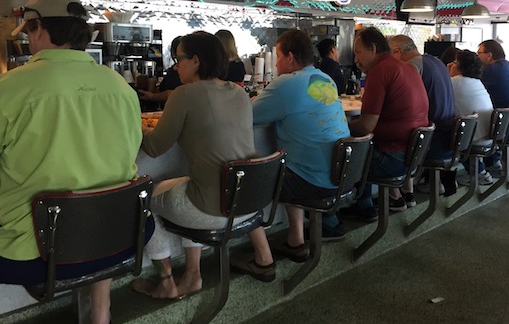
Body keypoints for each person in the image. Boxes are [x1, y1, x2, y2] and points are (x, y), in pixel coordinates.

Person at [0, 0, 141, 324]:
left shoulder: (10, 88)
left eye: (29, 31)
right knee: (103, 194)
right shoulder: (121, 88)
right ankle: (101, 314)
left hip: (31, 252)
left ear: (38, 29)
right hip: (119, 239)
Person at [132, 32, 274, 294]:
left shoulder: (184, 94)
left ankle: (167, 283)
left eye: (179, 59)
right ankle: (192, 276)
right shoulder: (240, 93)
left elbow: (153, 148)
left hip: (213, 209)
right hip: (248, 203)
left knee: (145, 198)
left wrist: (129, 123)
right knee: (188, 184)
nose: (176, 66)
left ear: (195, 61)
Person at [236, 29, 350, 271]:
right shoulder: (324, 79)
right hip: (342, 175)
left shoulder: (286, 84)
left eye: (277, 57)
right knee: (290, 163)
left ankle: (262, 257)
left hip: (315, 180)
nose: (276, 64)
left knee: (244, 182)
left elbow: (243, 116)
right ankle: (295, 240)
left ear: (290, 57)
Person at [343, 27, 429, 218]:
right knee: (364, 148)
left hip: (393, 159)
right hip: (414, 157)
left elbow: (366, 126)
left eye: (358, 52)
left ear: (372, 49)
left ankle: (328, 218)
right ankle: (363, 203)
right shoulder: (407, 67)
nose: (356, 60)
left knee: (339, 155)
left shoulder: (379, 71)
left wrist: (336, 126)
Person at [388, 34, 456, 200]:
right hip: (447, 134)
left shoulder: (412, 66)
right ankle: (406, 190)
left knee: (386, 136)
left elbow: (401, 102)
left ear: (397, 53)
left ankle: (398, 195)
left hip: (432, 138)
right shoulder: (437, 61)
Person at [477, 40, 509, 172]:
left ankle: (484, 168)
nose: (477, 57)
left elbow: (473, 86)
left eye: (479, 53)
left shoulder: (491, 69)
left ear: (489, 55)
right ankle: (503, 162)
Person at [448, 50, 495, 185]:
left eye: (455, 63)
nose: (451, 65)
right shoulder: (477, 82)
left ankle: (480, 174)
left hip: (473, 139)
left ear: (461, 67)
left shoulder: (455, 82)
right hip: (489, 135)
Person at [138, 35, 183, 105]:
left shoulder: (179, 71)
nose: (177, 68)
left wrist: (152, 96)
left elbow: (172, 94)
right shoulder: (174, 69)